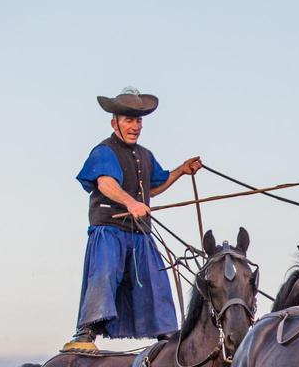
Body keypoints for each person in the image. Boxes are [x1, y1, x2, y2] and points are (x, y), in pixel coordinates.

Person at [63, 87, 202, 352]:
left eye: (138, 120)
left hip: (139, 232)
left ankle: (166, 334)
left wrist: (182, 171)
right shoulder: (104, 151)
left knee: (155, 278)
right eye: (129, 120)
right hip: (110, 231)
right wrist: (131, 202)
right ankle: (86, 332)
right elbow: (105, 183)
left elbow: (153, 187)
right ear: (114, 122)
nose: (135, 126)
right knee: (104, 274)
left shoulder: (145, 155)